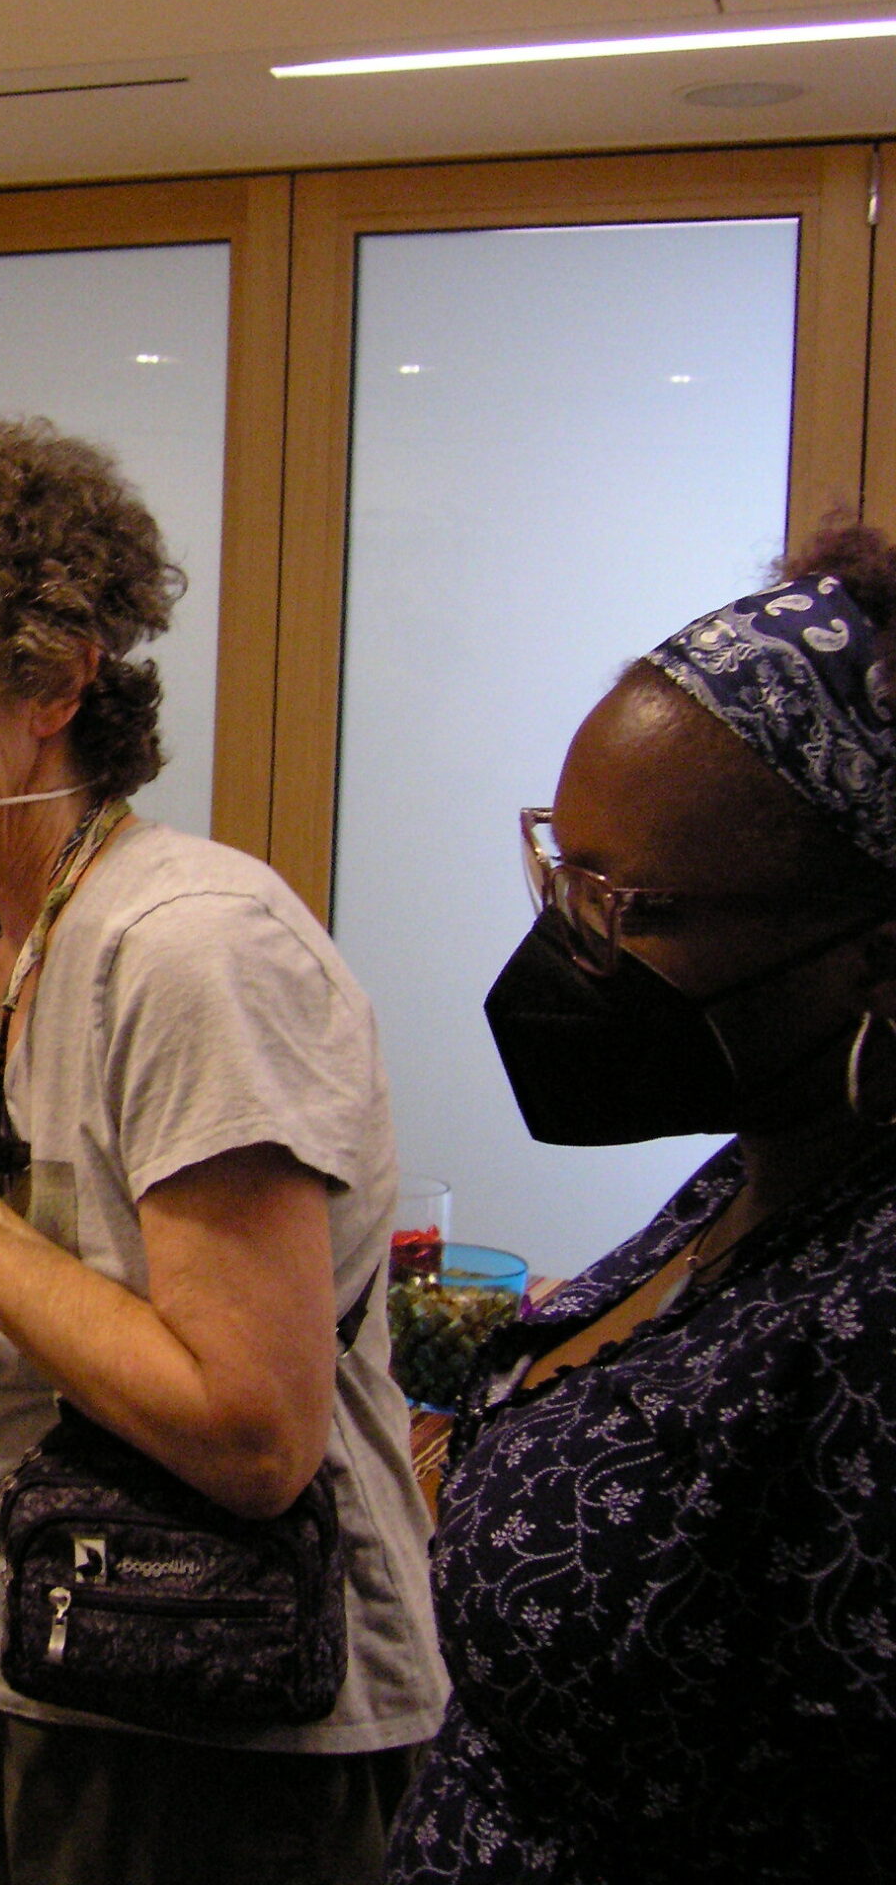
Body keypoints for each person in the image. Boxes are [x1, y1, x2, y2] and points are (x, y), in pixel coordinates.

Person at [0, 415, 446, 1883]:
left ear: (54, 679)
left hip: (226, 1702)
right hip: (25, 1626)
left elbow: (253, 1436)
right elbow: (65, 1301)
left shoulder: (189, 947)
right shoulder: (14, 944)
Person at [386, 529, 896, 1882]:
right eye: (563, 871)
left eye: (628, 905)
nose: (572, 945)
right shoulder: (760, 1167)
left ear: (873, 951)